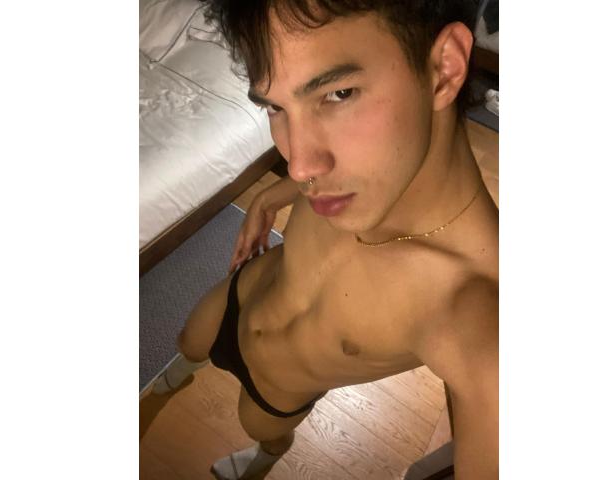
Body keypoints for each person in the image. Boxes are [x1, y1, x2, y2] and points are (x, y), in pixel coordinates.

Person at [152, 1, 498, 478]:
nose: (300, 166)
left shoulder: (480, 311)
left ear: (444, 68)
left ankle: (263, 461)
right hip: (240, 296)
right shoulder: (349, 178)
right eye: (275, 107)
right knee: (188, 343)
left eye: (338, 94)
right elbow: (298, 178)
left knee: (262, 431)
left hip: (275, 393)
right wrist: (268, 197)